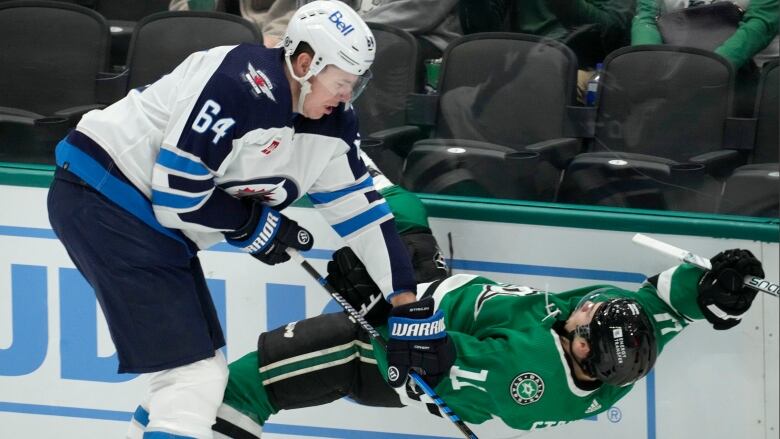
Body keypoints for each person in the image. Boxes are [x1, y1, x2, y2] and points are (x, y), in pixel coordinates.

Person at [46, 1, 454, 437]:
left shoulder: (333, 125)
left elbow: (365, 215)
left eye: (354, 86)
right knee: (192, 379)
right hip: (107, 199)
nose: (345, 97)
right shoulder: (236, 81)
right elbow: (177, 194)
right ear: (304, 63)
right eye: (340, 83)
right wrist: (254, 226)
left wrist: (405, 303)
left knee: (199, 380)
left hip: (143, 223)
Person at [211, 246, 764, 437]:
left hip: (379, 358)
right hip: (435, 287)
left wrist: (378, 312)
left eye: (589, 315)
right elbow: (670, 307)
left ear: (578, 350)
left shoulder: (524, 375)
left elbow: (424, 362)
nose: (588, 304)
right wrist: (718, 292)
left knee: (244, 386)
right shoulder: (627, 345)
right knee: (378, 196)